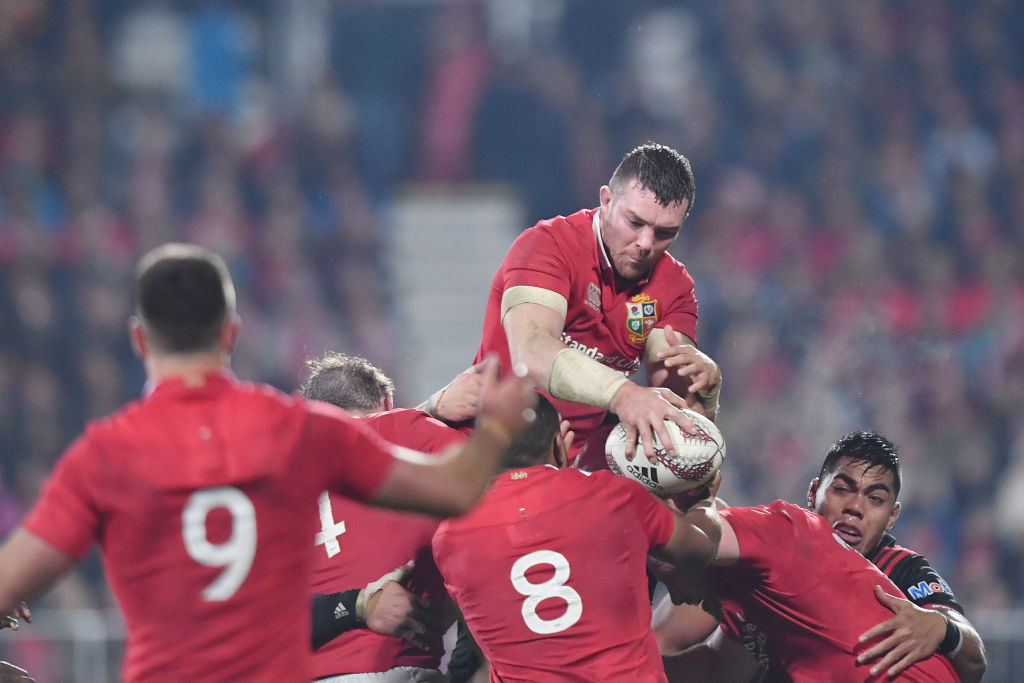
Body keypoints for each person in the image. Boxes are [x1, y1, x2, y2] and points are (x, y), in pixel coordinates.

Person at [0, 243, 536, 682]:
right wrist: (495, 426)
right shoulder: (299, 430)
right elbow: (457, 489)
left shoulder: (103, 458)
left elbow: (11, 580)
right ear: (231, 333)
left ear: (140, 341)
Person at [461, 142, 722, 470]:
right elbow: (532, 352)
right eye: (635, 222)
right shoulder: (547, 246)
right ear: (606, 200)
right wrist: (624, 394)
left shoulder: (675, 288)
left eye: (664, 233)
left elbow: (674, 417)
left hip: (568, 474)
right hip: (485, 455)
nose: (645, 243)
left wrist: (703, 393)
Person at [432, 393, 722, 682]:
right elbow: (700, 548)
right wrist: (705, 502)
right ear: (559, 443)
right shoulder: (613, 495)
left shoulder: (449, 538)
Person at [655, 431, 987, 682]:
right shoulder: (773, 561)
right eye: (842, 489)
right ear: (814, 492)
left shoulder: (901, 572)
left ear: (892, 517)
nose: (855, 508)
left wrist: (944, 628)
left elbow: (974, 660)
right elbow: (719, 666)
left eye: (875, 499)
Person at [301, 352, 470, 682]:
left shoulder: (276, 471)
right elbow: (495, 473)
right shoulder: (405, 428)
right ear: (387, 401)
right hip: (396, 668)